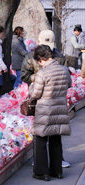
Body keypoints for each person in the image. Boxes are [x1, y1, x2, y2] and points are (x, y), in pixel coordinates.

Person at [21, 29, 70, 169]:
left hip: (46, 99)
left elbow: (65, 78)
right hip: (52, 99)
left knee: (47, 133)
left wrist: (42, 81)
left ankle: (46, 165)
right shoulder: (31, 57)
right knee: (51, 133)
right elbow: (24, 74)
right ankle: (50, 165)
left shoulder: (59, 56)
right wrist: (38, 79)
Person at [29, 44, 71, 181]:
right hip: (59, 108)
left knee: (40, 139)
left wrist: (31, 87)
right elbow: (69, 85)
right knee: (56, 139)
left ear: (41, 59)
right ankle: (57, 171)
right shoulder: (64, 70)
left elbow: (35, 94)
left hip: (45, 109)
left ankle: (42, 172)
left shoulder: (42, 73)